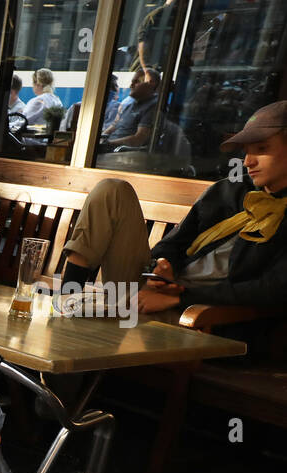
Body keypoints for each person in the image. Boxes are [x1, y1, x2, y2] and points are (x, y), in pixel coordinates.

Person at [61, 100, 287, 314]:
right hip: (155, 289)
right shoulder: (227, 191)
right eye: (246, 151)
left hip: (201, 312)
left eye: (261, 148)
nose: (248, 161)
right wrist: (162, 267)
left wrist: (181, 298)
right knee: (112, 190)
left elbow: (272, 289)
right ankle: (65, 298)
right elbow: (172, 243)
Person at [103, 68, 160, 148]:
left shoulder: (154, 107)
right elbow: (113, 127)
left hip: (121, 152)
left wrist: (107, 144)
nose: (131, 86)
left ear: (150, 83)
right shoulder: (130, 104)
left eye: (136, 81)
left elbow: (139, 139)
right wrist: (100, 139)